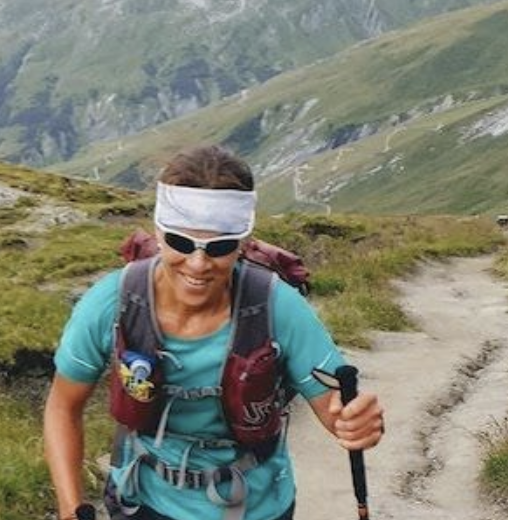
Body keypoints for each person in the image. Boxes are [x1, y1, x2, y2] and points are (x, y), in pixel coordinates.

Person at [44, 145, 385, 520]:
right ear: (158, 231)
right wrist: (69, 508)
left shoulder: (279, 308)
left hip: (258, 509)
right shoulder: (111, 303)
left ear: (243, 243)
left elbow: (337, 409)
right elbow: (63, 407)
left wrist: (356, 425)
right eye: (180, 242)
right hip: (143, 502)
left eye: (219, 247)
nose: (198, 264)